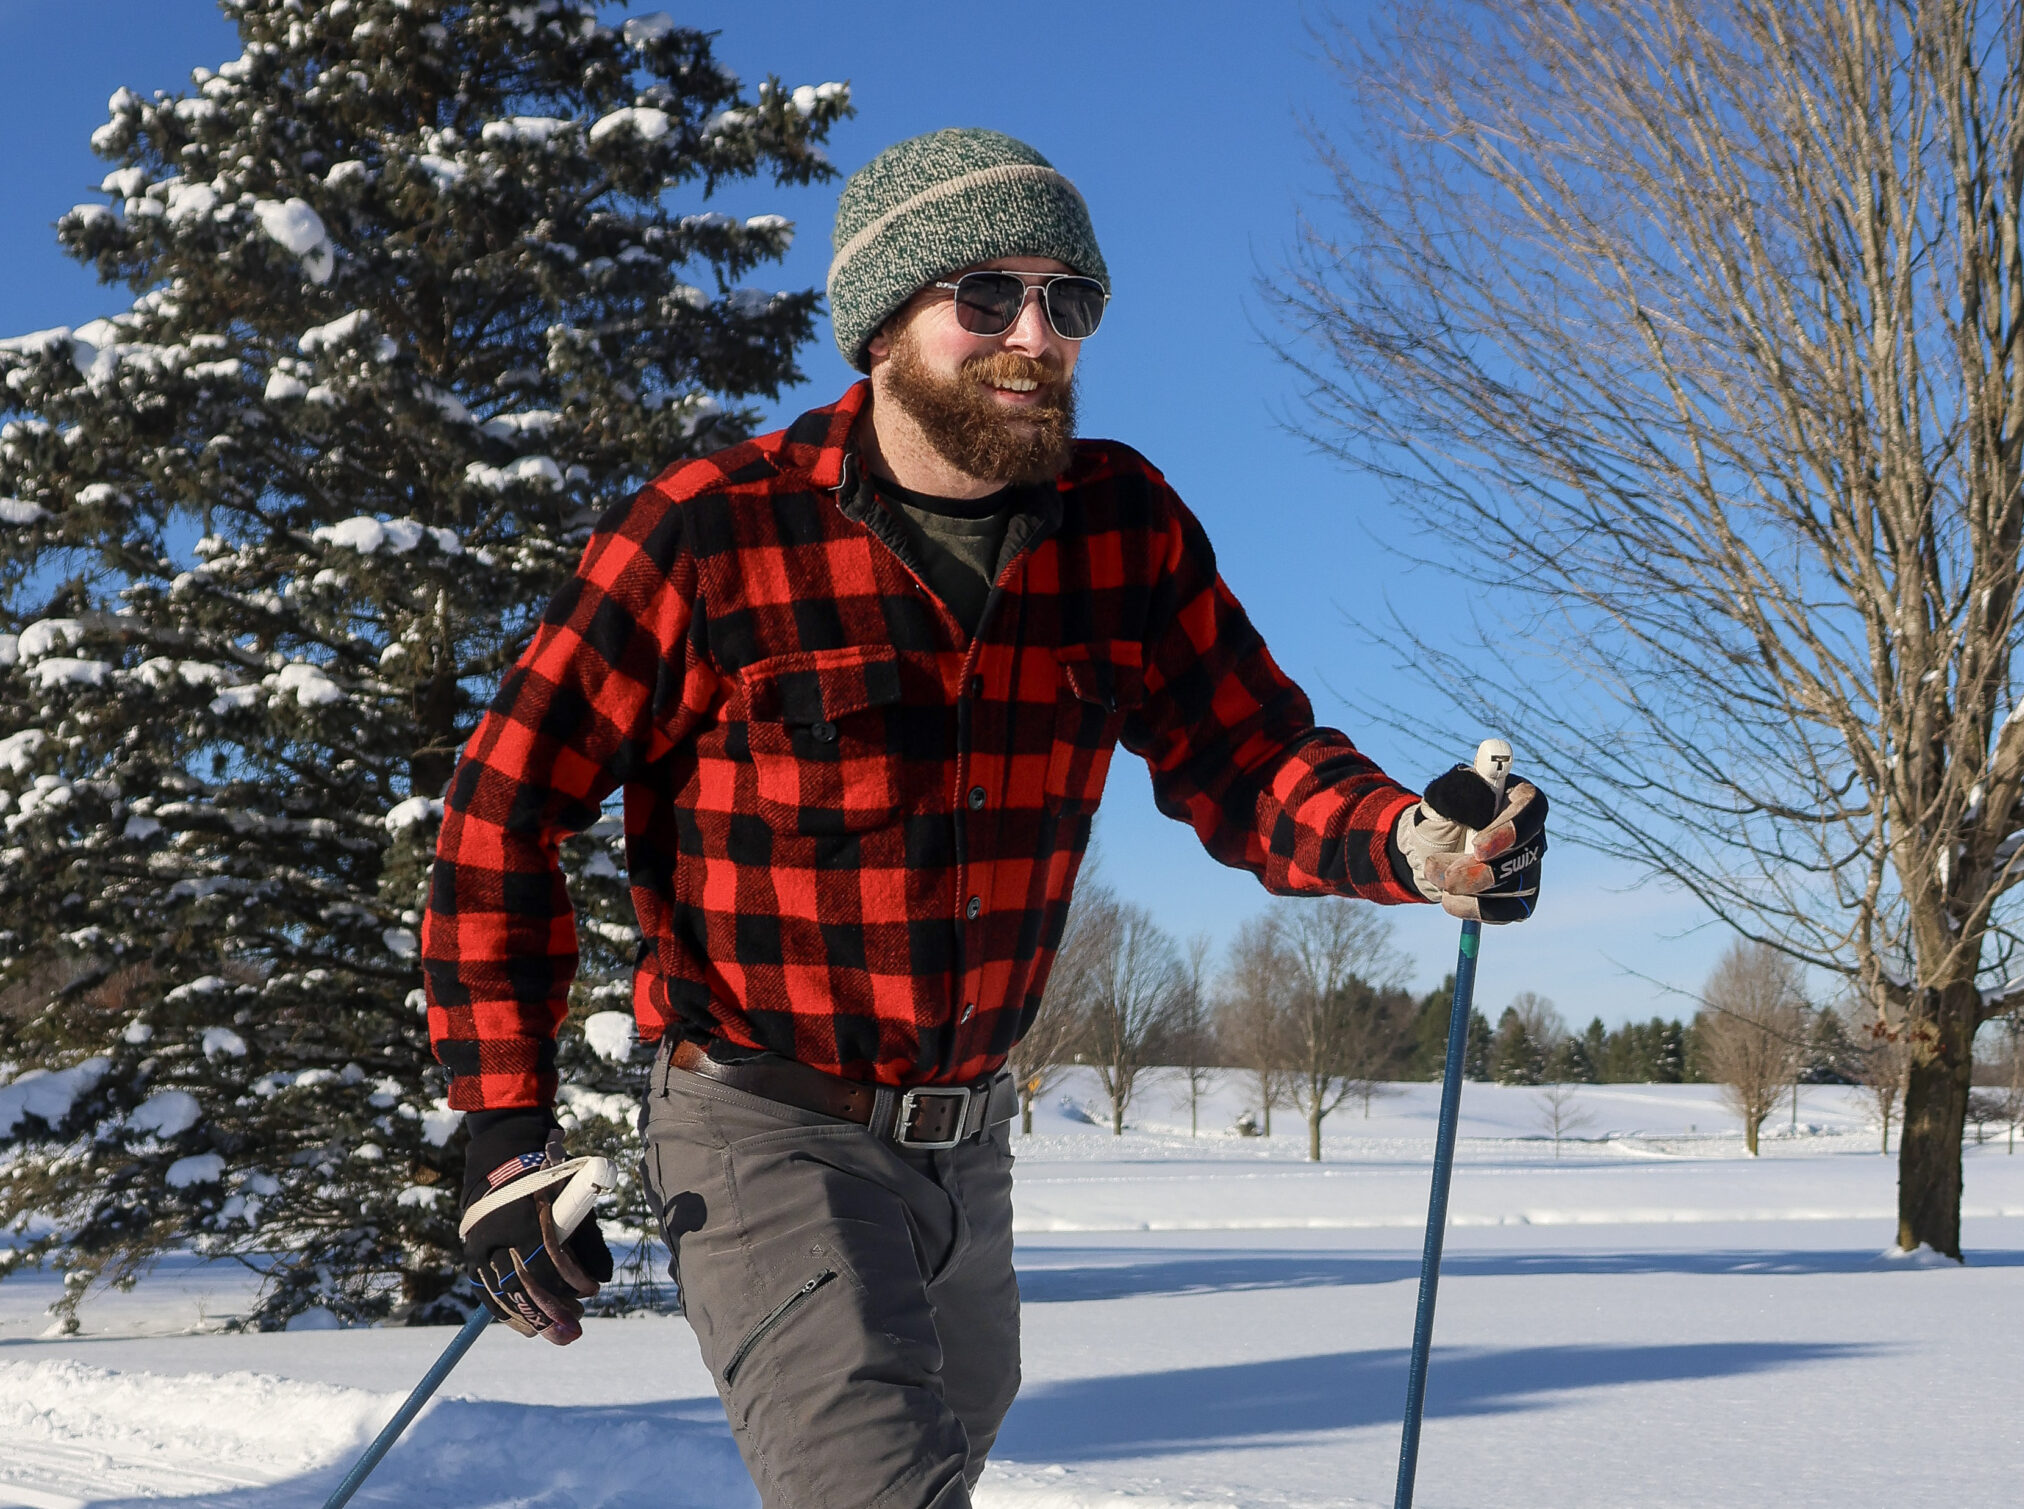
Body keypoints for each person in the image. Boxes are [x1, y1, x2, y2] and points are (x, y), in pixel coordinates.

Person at [421, 127, 1544, 1508]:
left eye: (1070, 303)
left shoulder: (1120, 527)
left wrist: (1411, 842)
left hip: (968, 1142)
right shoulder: (712, 532)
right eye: (990, 296)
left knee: (936, 1468)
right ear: (884, 322)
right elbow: (502, 810)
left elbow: (1248, 755)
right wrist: (502, 1126)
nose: (1036, 335)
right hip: (762, 1115)